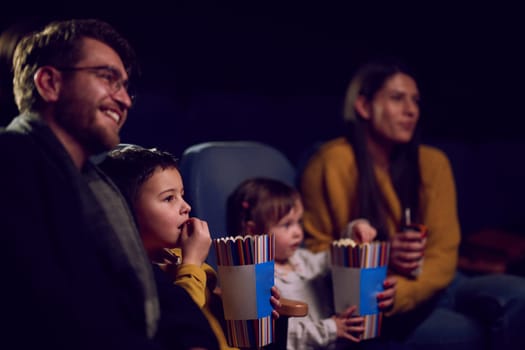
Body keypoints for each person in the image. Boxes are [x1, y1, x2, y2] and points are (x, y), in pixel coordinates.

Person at [0, 18, 217, 349]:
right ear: (49, 83)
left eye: (125, 87)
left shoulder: (97, 187)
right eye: (107, 79)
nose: (126, 101)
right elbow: (57, 315)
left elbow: (159, 296)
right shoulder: (12, 164)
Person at [299, 57, 525, 349]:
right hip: (375, 294)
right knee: (461, 333)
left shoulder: (433, 163)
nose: (411, 111)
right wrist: (381, 257)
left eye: (416, 101)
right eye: (397, 99)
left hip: (436, 281)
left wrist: (407, 291)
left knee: (519, 294)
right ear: (364, 106)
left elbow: (443, 253)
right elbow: (316, 250)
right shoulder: (330, 162)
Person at [99, 145, 282, 350]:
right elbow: (179, 328)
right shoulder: (135, 277)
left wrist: (247, 311)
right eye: (169, 198)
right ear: (126, 210)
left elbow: (212, 322)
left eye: (182, 195)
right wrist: (192, 262)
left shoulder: (180, 258)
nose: (186, 206)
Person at [226, 177, 397, 350]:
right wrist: (330, 329)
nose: (298, 233)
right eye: (286, 225)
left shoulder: (302, 259)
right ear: (253, 232)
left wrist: (355, 231)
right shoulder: (256, 279)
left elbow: (337, 257)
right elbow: (281, 335)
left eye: (299, 222)